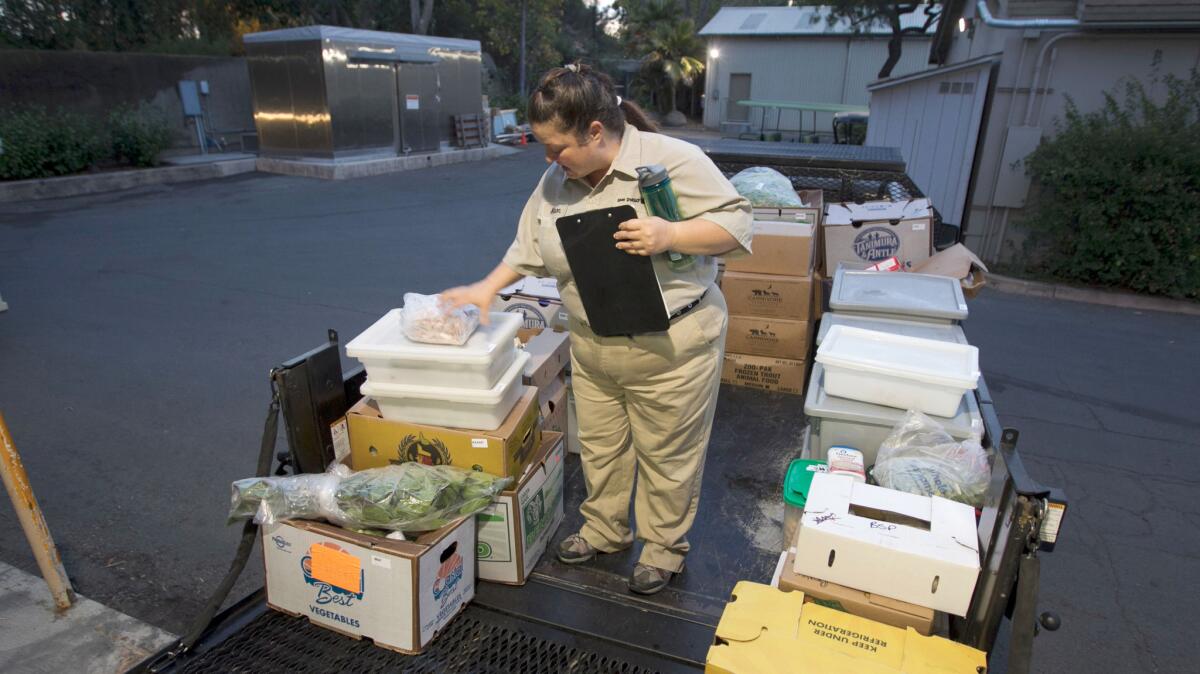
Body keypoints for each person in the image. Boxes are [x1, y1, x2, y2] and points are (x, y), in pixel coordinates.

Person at [444, 63, 752, 595]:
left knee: (668, 456)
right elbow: (528, 246)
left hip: (671, 345)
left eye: (557, 146)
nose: (549, 158)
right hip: (593, 342)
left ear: (594, 132)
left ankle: (662, 550)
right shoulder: (556, 181)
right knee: (601, 448)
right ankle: (606, 531)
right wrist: (485, 287)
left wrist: (670, 232)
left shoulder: (672, 160)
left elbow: (738, 224)